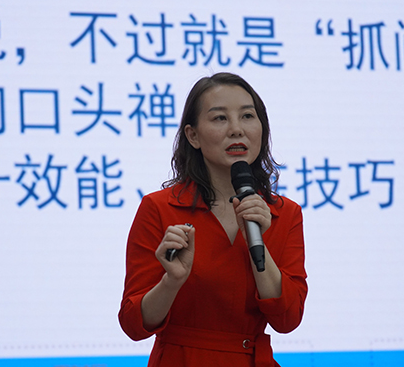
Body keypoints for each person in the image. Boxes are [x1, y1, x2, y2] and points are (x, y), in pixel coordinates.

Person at [119, 72, 307, 367]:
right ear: (192, 135)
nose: (236, 130)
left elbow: (288, 319)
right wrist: (171, 281)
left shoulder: (284, 213)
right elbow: (133, 324)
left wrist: (256, 241)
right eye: (220, 118)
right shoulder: (159, 208)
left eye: (248, 116)